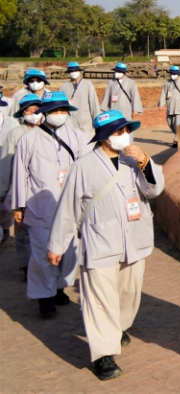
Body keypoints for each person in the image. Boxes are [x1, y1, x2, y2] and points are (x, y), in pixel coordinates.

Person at [47, 109, 164, 381]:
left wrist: (146, 162)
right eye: (118, 131)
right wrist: (57, 245)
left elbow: (154, 190)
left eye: (125, 130)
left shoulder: (133, 161)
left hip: (134, 239)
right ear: (103, 136)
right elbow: (67, 209)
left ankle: (118, 327)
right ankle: (103, 355)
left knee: (128, 293)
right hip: (100, 241)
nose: (124, 135)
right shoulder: (83, 166)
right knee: (99, 300)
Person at [11, 91, 92, 317]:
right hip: (40, 206)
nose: (59, 114)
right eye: (54, 110)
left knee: (69, 253)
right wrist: (18, 206)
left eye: (62, 110)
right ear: (44, 112)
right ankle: (43, 297)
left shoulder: (78, 136)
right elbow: (20, 174)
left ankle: (58, 287)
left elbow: (87, 169)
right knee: (41, 255)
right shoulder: (29, 139)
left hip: (71, 206)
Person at [0, 94, 43, 274]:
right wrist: (3, 189)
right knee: (22, 227)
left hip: (45, 188)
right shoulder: (15, 134)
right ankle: (26, 266)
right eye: (28, 110)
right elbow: (6, 163)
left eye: (36, 109)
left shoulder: (50, 131)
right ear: (22, 113)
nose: (33, 113)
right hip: (22, 188)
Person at [59, 62, 99, 137]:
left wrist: (98, 123)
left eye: (75, 70)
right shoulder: (64, 87)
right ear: (68, 72)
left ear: (79, 71)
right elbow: (61, 106)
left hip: (86, 124)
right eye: (71, 71)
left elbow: (94, 105)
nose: (73, 72)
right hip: (70, 124)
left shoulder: (88, 85)